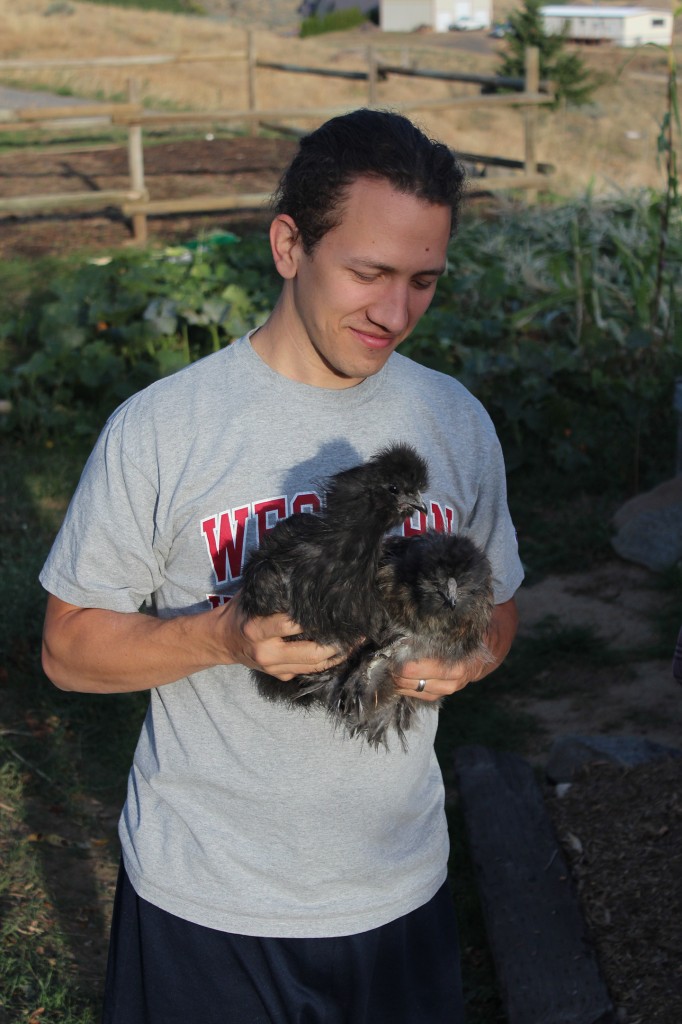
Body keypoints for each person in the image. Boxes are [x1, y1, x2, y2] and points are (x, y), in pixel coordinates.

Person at [40, 108, 524, 1024]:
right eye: (369, 272)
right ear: (288, 244)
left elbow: (499, 613)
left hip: (399, 888)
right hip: (207, 902)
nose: (395, 312)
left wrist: (468, 656)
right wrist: (223, 635)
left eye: (424, 280)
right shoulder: (163, 427)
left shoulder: (453, 421)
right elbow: (69, 652)